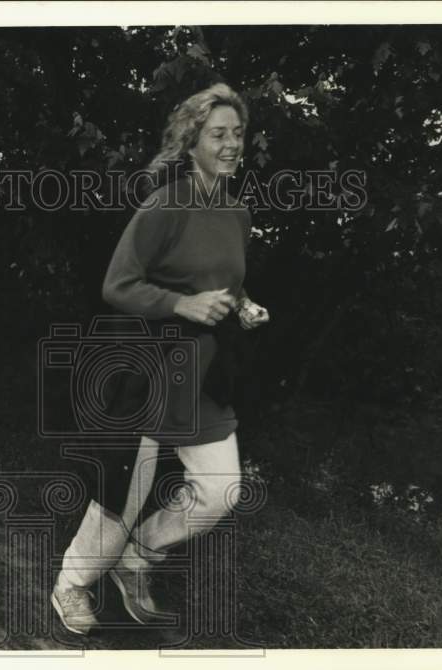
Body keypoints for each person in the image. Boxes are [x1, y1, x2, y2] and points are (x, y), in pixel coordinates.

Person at [52, 83, 270, 634]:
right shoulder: (166, 203)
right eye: (218, 134)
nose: (230, 144)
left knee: (222, 490)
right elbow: (117, 285)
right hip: (148, 369)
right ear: (192, 141)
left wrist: (243, 306)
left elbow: (224, 285)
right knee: (123, 496)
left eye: (237, 134)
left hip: (204, 374)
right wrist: (180, 304)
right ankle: (71, 586)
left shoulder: (238, 213)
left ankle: (139, 557)